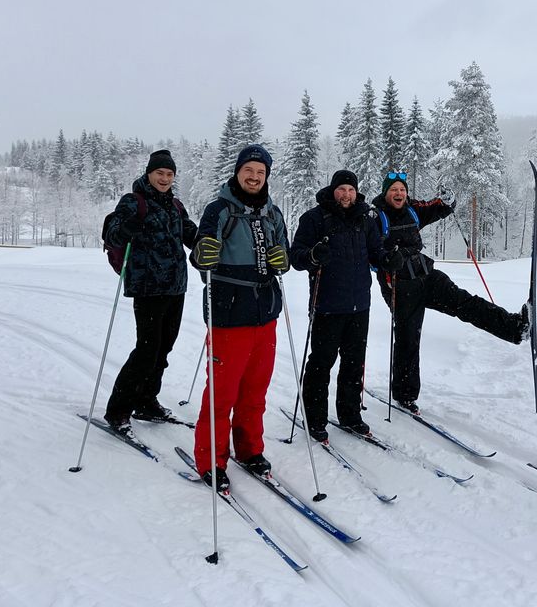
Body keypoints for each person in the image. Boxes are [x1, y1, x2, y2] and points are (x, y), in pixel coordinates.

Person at [371, 171, 530, 415]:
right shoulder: (375, 217)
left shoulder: (413, 210)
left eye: (402, 189)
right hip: (400, 287)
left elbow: (439, 207)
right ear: (385, 193)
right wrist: (385, 260)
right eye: (394, 190)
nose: (399, 193)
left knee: (466, 303)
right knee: (408, 340)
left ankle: (516, 327)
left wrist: (448, 200)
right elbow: (369, 255)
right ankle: (405, 395)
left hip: (427, 276)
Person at [190, 144, 290, 492]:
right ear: (237, 171)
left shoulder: (273, 214)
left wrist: (282, 260)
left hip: (266, 314)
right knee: (222, 393)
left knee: (254, 392)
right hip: (229, 314)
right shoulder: (219, 210)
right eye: (249, 170)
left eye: (260, 172)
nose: (254, 176)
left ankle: (250, 450)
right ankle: (211, 460)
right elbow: (201, 252)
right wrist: (203, 254)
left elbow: (285, 254)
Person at [289, 169, 401, 442]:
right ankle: (314, 418)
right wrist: (313, 255)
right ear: (333, 190)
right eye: (342, 189)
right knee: (321, 363)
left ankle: (350, 415)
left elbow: (376, 252)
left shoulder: (366, 218)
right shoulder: (315, 218)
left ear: (356, 192)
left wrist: (388, 260)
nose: (347, 194)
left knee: (354, 364)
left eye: (351, 190)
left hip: (359, 304)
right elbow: (296, 256)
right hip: (327, 304)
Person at [102, 149, 198, 434]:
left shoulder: (176, 206)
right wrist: (128, 226)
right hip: (147, 287)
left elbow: (189, 234)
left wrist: (207, 243)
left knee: (163, 348)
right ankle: (118, 410)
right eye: (160, 173)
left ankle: (146, 401)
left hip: (175, 286)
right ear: (149, 173)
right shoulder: (134, 202)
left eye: (170, 174)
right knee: (146, 350)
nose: (165, 179)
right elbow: (113, 235)